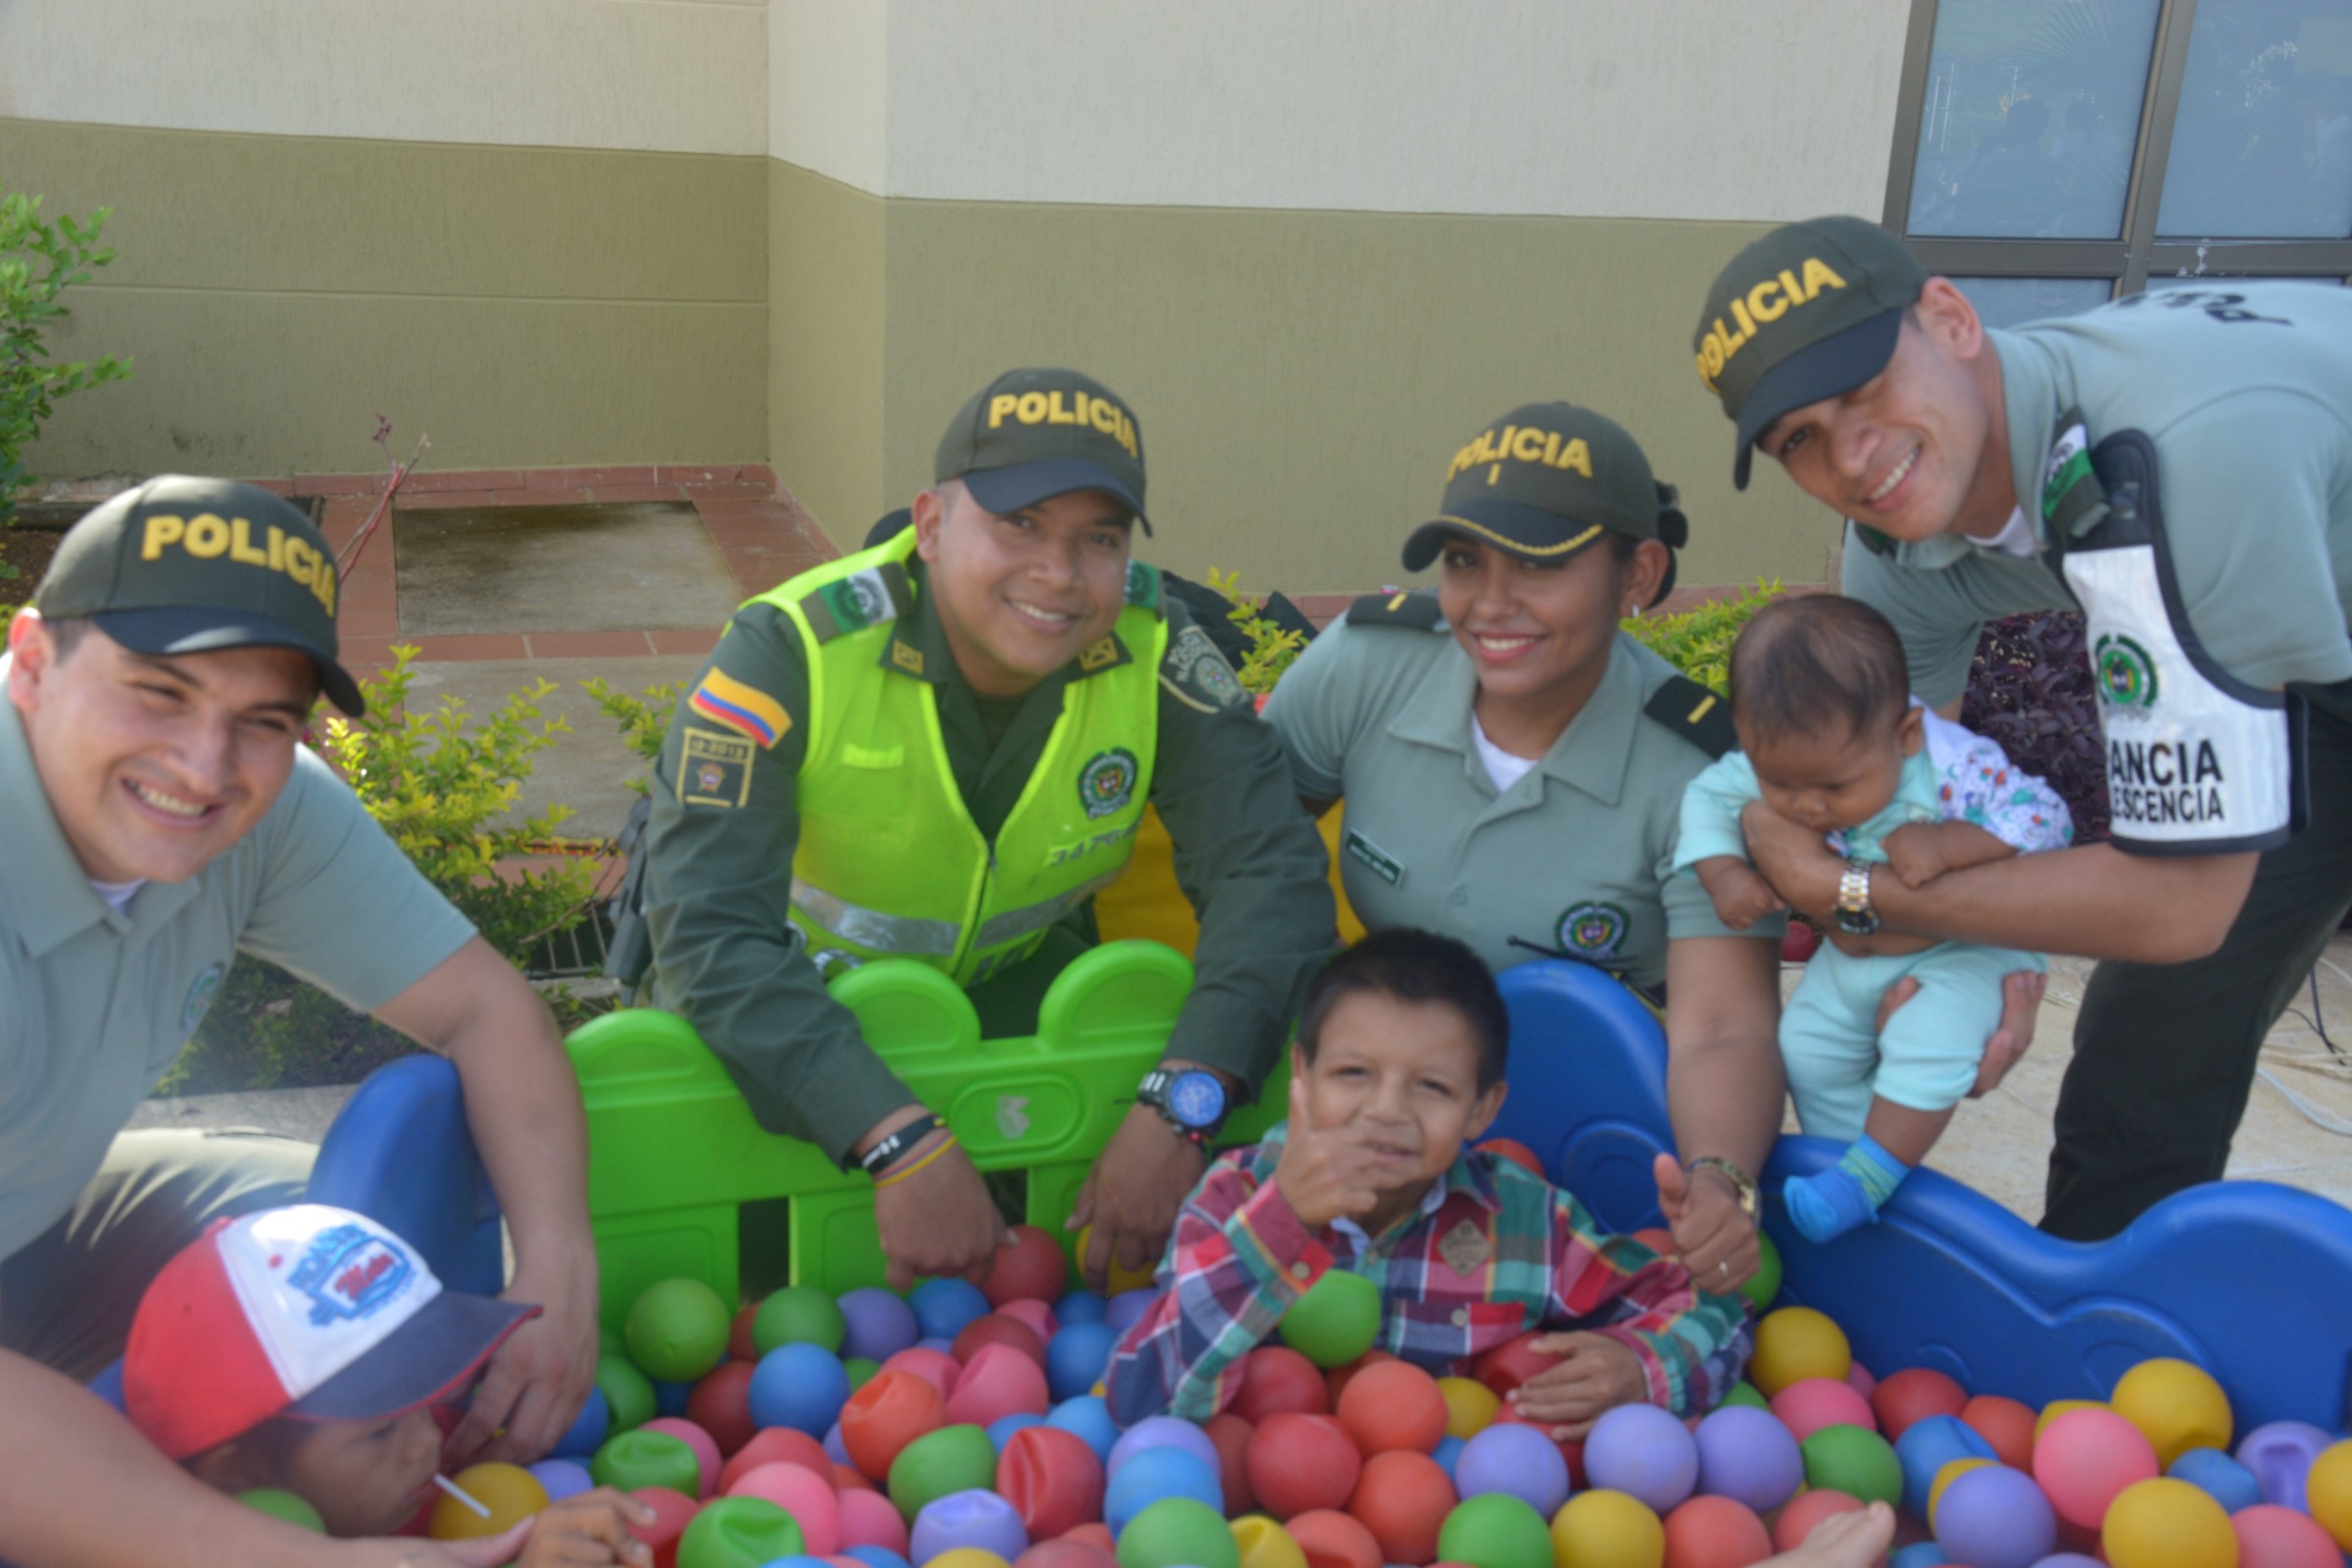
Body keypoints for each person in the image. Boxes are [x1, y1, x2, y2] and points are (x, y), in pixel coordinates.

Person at [1259, 402, 2046, 1290]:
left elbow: (1723, 1023)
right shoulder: (1365, 668)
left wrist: (1718, 1182)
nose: (1491, 602)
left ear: (1638, 572)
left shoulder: (1699, 773)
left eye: (1539, 565)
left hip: (1588, 1141)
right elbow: (1251, 870)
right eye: (1464, 561)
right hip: (1372, 1114)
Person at [1692, 215, 2352, 1240]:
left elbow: (2176, 905)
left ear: (1951, 319)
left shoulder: (2186, 466)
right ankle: (2110, 1362)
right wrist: (1995, 960)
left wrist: (1844, 891)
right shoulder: (1898, 540)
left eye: (1864, 387)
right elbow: (1912, 805)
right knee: (2151, 1035)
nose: (1855, 456)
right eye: (1800, 441)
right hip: (2311, 653)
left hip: (2266, 515)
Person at [0, 477, 600, 1568]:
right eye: (158, 692)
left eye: (261, 720)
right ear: (32, 663)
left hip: (40, 1207)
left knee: (326, 1256)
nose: (202, 766)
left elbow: (484, 1008)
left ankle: (315, 1475)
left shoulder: (261, 811)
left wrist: (556, 1264)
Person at [627, 368, 1337, 1290]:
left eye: (1099, 539)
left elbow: (1271, 877)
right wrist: (895, 1140)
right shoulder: (791, 650)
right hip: (778, 1023)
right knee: (756, 1294)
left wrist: (1182, 1106)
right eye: (1020, 524)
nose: (1058, 573)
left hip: (1007, 1005)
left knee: (1046, 1289)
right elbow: (708, 935)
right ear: (928, 525)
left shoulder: (1155, 644)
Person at [1102, 928, 1751, 1429]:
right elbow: (1138, 1397)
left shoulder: (1522, 1222)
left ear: (1483, 1109)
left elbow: (1718, 1313)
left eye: (1431, 1086)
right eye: (1353, 1073)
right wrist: (1282, 1224)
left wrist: (1641, 1370)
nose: (1387, 1110)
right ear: (1301, 1073)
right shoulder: (1234, 1196)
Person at [1676, 597, 2070, 1241]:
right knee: (1804, 1045)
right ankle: (1850, 1161)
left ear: (1907, 734)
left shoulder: (1955, 766)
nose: (1807, 807)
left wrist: (1948, 843)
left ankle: (1870, 1179)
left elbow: (2046, 819)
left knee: (1926, 1039)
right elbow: (1708, 798)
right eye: (1781, 785)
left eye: (1834, 788)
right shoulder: (1789, 754)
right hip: (1857, 951)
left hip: (1966, 953)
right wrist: (1724, 872)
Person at [123, 1203, 651, 1560]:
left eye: (429, 1396)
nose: (428, 1441)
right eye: (378, 1433)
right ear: (240, 1473)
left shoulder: (437, 1456)